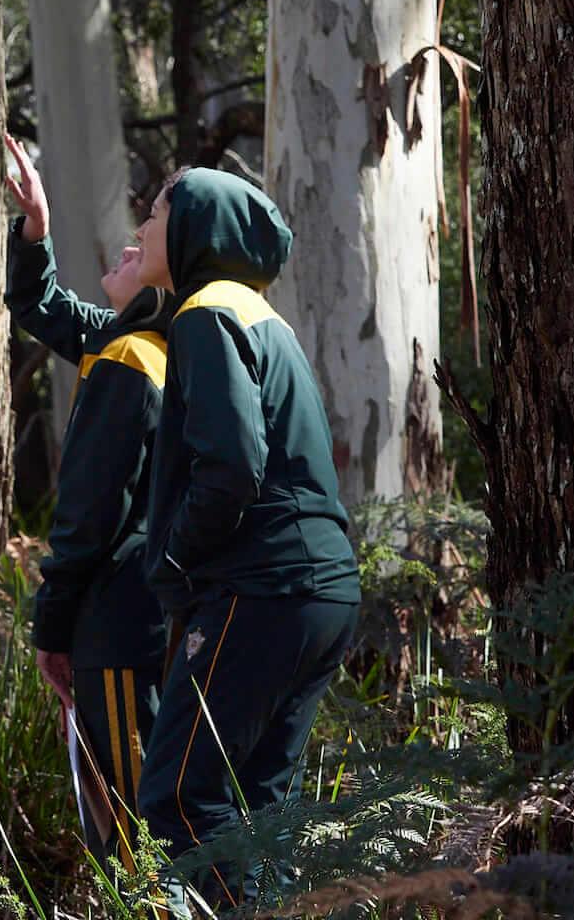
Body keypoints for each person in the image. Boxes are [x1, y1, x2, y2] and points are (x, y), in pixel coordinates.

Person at [129, 166, 360, 911]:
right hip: (323, 591)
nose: (142, 228)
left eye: (157, 212)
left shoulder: (205, 314)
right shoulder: (262, 315)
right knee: (261, 807)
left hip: (262, 588)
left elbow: (232, 463)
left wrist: (170, 556)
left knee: (178, 795)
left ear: (197, 225)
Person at [2, 135, 172, 869]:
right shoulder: (128, 340)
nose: (130, 241)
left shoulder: (138, 357)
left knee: (133, 832)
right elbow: (37, 303)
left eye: (146, 241)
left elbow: (88, 514)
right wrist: (35, 229)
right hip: (139, 618)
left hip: (119, 624)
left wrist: (52, 623)